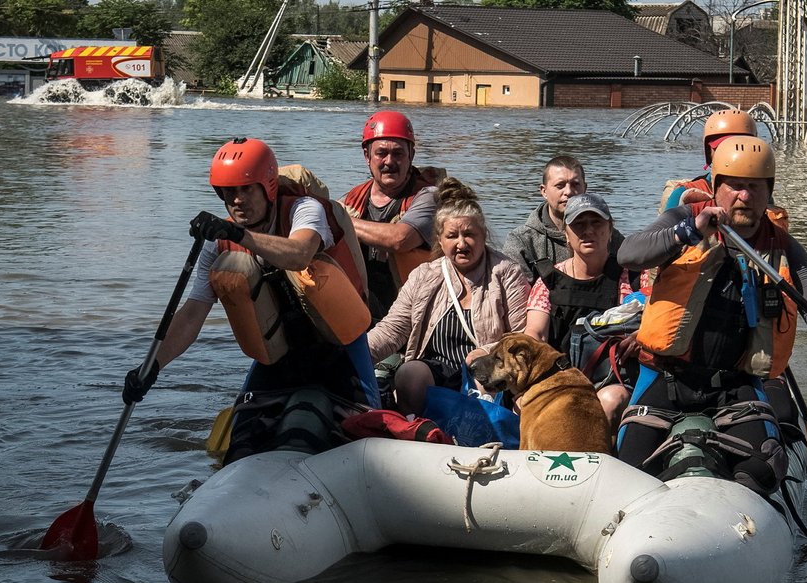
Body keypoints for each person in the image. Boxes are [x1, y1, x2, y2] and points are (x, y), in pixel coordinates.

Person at [616, 136, 807, 496]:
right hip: (667, 377)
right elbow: (628, 254)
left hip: (735, 384)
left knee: (765, 466)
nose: (744, 197)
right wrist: (691, 231)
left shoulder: (783, 246)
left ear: (769, 193)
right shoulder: (684, 219)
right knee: (626, 468)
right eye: (734, 186)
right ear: (716, 187)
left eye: (755, 187)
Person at [122, 137, 379, 462]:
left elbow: (299, 254)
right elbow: (192, 314)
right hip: (280, 357)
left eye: (246, 190)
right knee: (239, 450)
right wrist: (151, 366)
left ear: (269, 187)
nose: (237, 200)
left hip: (342, 351)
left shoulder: (304, 210)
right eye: (228, 192)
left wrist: (237, 234)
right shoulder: (220, 245)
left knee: (352, 432)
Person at [367, 178, 530, 416]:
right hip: (437, 371)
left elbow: (521, 336)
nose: (461, 243)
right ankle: (420, 430)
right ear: (440, 241)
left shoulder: (507, 272)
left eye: (469, 234)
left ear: (483, 235)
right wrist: (357, 354)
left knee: (484, 377)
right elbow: (394, 328)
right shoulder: (424, 275)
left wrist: (487, 351)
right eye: (452, 236)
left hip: (489, 374)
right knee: (408, 374)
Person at [523, 192, 641, 430]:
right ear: (566, 234)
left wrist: (642, 335)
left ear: (610, 229)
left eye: (596, 222)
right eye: (579, 224)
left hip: (613, 381)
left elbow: (654, 322)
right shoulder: (548, 279)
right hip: (560, 377)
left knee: (609, 400)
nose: (588, 231)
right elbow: (535, 335)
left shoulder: (633, 275)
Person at [340, 110, 439, 318]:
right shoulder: (351, 201)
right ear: (367, 156)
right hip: (363, 316)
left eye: (398, 153)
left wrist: (339, 220)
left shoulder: (429, 197)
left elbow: (399, 240)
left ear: (411, 155)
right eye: (381, 153)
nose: (389, 161)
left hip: (415, 317)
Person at [503, 155, 625, 284]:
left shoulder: (609, 237)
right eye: (560, 185)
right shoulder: (522, 241)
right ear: (544, 191)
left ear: (585, 188)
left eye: (575, 184)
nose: (569, 192)